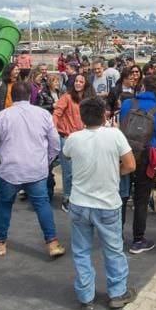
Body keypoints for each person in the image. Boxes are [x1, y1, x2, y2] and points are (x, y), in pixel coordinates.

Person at [0, 81, 65, 259]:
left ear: (11, 96)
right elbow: (54, 143)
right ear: (30, 96)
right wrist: (46, 161)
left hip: (10, 170)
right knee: (42, 204)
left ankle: (0, 243)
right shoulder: (43, 114)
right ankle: (52, 243)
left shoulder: (3, 116)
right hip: (36, 170)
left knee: (4, 205)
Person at [64, 97, 137, 310]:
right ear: (105, 114)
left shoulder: (73, 138)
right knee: (113, 249)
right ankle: (117, 292)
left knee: (81, 251)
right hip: (107, 203)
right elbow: (130, 165)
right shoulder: (115, 135)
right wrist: (114, 172)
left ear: (82, 116)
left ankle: (86, 296)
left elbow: (67, 156)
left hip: (79, 202)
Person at [118, 73, 156, 255]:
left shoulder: (127, 104)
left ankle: (116, 235)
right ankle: (138, 239)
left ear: (143, 86)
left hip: (124, 153)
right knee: (141, 199)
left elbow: (120, 126)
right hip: (146, 156)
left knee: (122, 196)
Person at [53, 74, 89, 211]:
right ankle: (67, 197)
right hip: (66, 138)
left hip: (82, 138)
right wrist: (53, 130)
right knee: (68, 171)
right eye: (77, 81)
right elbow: (57, 113)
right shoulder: (66, 97)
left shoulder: (86, 99)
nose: (78, 83)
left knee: (80, 170)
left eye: (81, 81)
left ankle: (77, 196)